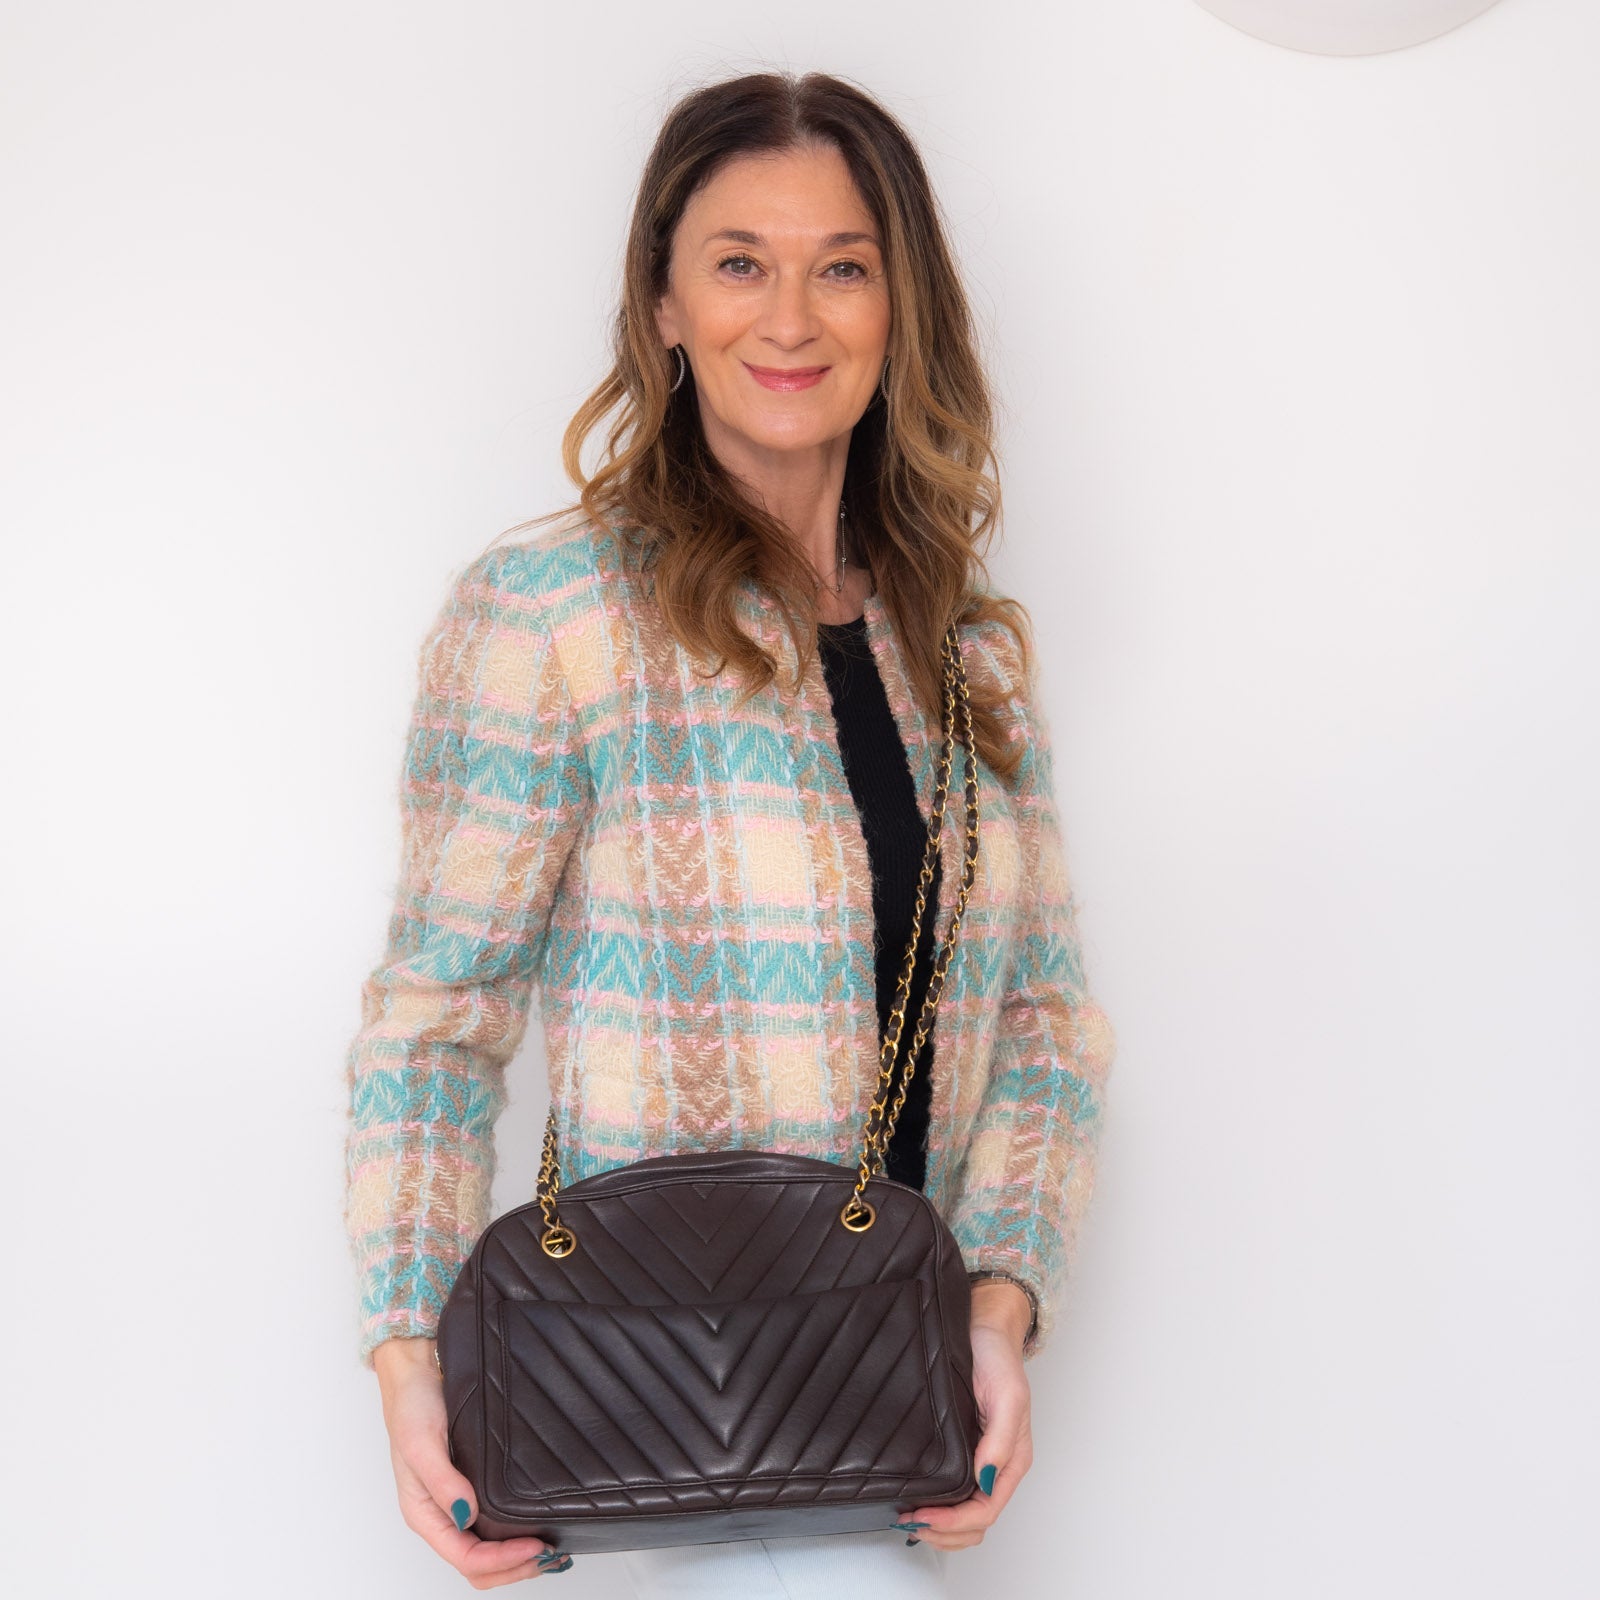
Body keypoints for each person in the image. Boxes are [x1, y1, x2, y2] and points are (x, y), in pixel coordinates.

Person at [341, 69, 1117, 1597]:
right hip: (641, 1414)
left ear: (900, 308)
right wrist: (411, 1354)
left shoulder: (964, 652)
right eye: (740, 262)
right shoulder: (551, 617)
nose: (792, 317)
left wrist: (998, 1314)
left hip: (889, 1431)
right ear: (667, 306)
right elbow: (437, 1018)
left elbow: (1045, 1023)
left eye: (845, 266)